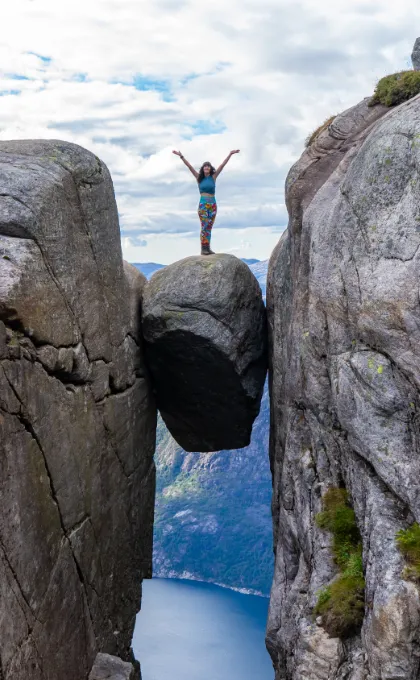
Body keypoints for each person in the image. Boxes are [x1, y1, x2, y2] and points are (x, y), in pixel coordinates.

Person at [172, 149, 240, 255]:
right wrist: (181, 156)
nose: (207, 167)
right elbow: (189, 167)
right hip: (203, 204)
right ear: (203, 169)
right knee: (204, 226)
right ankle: (203, 248)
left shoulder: (213, 177)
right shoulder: (199, 178)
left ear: (210, 168)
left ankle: (207, 248)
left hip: (213, 204)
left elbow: (222, 165)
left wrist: (230, 154)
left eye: (208, 166)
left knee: (209, 226)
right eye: (205, 166)